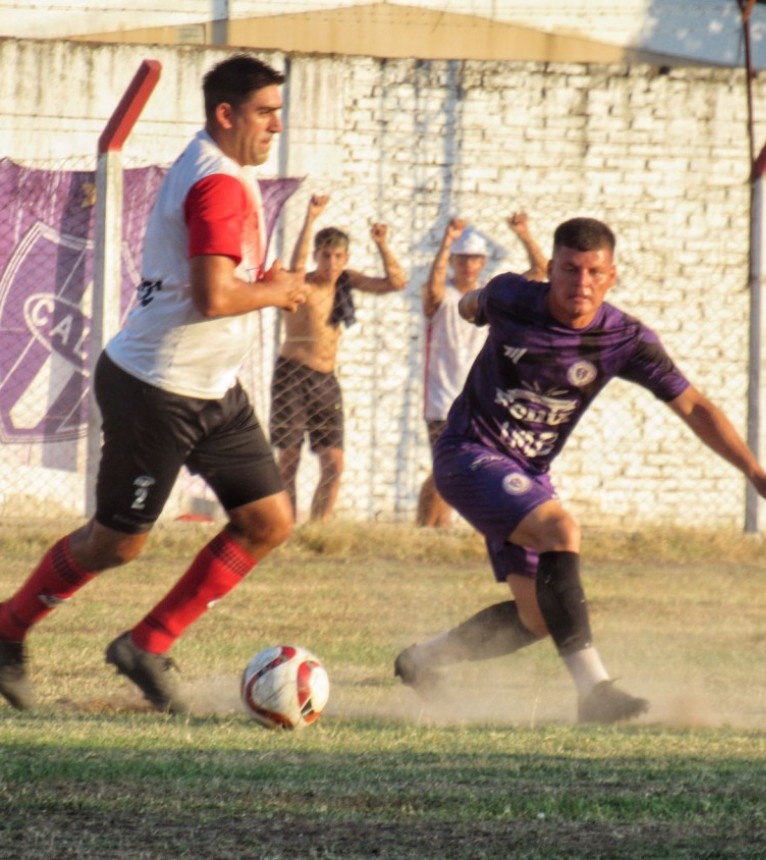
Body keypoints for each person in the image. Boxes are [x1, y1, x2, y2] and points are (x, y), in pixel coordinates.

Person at [395, 216, 766, 724]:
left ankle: (421, 661)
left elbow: (693, 406)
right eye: (568, 270)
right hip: (468, 453)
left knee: (537, 619)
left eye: (592, 272)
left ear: (611, 276)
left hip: (527, 473)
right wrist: (472, 306)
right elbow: (471, 304)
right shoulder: (513, 298)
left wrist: (755, 472)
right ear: (551, 269)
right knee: (561, 528)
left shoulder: (624, 339)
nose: (579, 283)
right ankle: (594, 691)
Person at [0, 54, 308, 714]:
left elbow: (218, 279)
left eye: (280, 112)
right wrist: (275, 291)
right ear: (226, 114)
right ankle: (5, 630)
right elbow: (214, 295)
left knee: (268, 520)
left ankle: (147, 643)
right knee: (117, 544)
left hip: (212, 388)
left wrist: (265, 281)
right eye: (264, 112)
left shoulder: (219, 168)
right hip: (157, 389)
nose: (276, 126)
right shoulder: (219, 182)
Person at [270, 194, 406, 522]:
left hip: (325, 380)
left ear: (345, 259)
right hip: (293, 374)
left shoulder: (347, 280)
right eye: (326, 256)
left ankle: (319, 527)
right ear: (317, 255)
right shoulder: (302, 283)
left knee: (334, 463)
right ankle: (285, 527)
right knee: (289, 459)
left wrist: (382, 244)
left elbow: (396, 283)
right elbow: (297, 266)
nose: (332, 263)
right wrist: (310, 218)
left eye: (338, 256)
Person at [417, 213, 547, 527]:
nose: (468, 265)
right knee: (443, 468)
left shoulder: (490, 297)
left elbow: (542, 272)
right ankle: (427, 529)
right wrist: (446, 243)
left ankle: (437, 529)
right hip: (441, 397)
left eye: (475, 259)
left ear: (482, 262)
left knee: (458, 470)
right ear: (453, 261)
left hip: (479, 398)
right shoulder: (443, 297)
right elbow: (432, 292)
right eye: (462, 259)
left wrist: (524, 234)